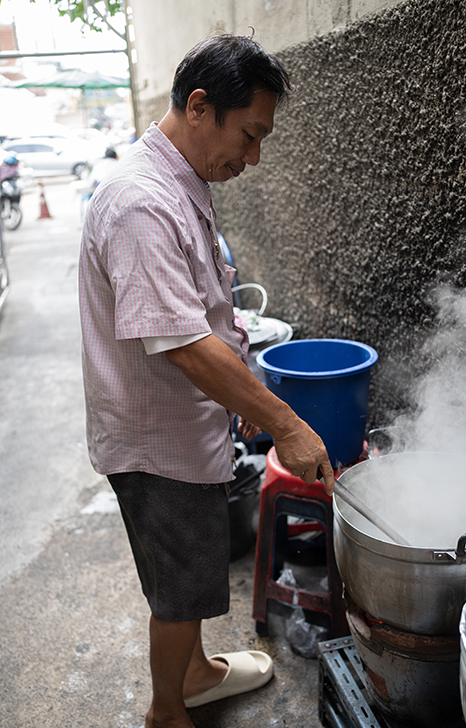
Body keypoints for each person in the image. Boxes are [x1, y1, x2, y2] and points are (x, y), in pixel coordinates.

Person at [79, 33, 335, 728]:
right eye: (249, 136)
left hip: (181, 428)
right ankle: (167, 711)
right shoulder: (140, 201)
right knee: (179, 589)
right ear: (199, 107)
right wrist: (286, 422)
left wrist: (239, 394)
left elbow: (201, 312)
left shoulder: (179, 180)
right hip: (156, 443)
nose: (252, 158)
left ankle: (194, 673)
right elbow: (184, 344)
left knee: (187, 574)